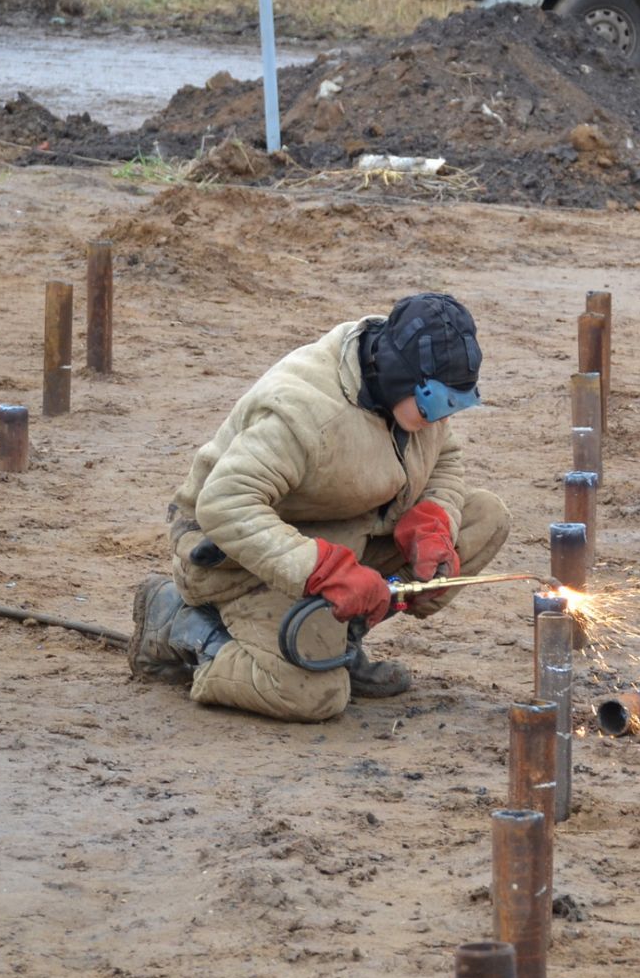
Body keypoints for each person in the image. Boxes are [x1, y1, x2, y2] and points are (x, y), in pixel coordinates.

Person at [128, 294, 511, 723]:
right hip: (236, 558)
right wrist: (326, 571)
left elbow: (444, 456)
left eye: (453, 407)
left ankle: (339, 639)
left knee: (482, 518)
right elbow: (224, 505)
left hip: (343, 528)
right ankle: (188, 628)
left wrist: (433, 522)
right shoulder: (305, 411)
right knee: (311, 696)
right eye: (436, 405)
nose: (441, 418)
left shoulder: (412, 398)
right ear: (403, 379)